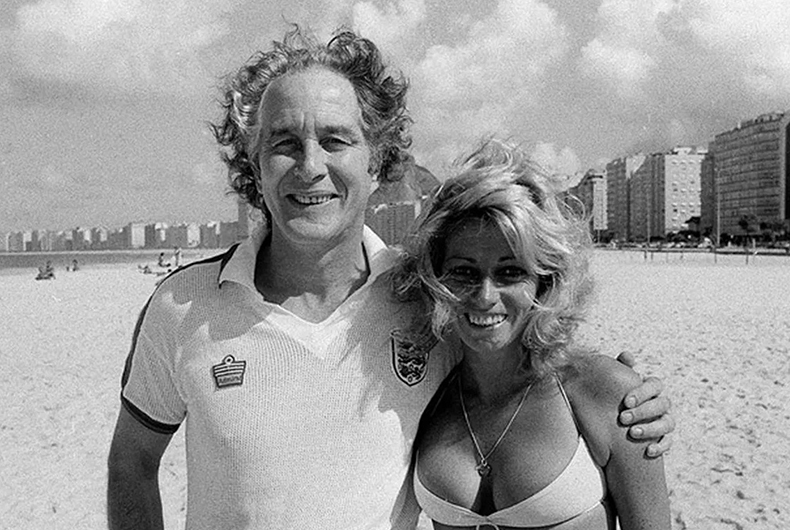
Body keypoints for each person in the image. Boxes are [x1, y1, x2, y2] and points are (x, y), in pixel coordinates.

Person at [107, 27, 673, 530]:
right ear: (253, 164)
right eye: (283, 143)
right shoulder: (183, 305)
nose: (310, 166)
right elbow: (132, 461)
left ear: (376, 163)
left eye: (335, 140)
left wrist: (632, 402)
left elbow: (523, 340)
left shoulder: (428, 298)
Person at [394, 139, 669, 529]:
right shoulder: (428, 395)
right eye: (464, 272)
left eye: (510, 272)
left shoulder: (604, 392)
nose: (485, 296)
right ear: (436, 278)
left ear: (544, 282)